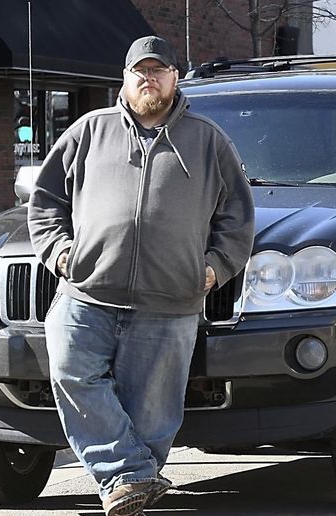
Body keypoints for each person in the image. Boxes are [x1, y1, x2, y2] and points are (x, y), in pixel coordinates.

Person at [27, 35, 255, 516]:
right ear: (125, 78)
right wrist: (62, 254)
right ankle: (130, 477)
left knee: (153, 413)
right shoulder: (89, 131)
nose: (149, 79)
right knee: (70, 369)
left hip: (169, 300)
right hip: (87, 291)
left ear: (176, 77)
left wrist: (213, 269)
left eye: (159, 70)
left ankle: (131, 490)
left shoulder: (207, 139)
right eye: (140, 71)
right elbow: (46, 201)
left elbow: (237, 217)